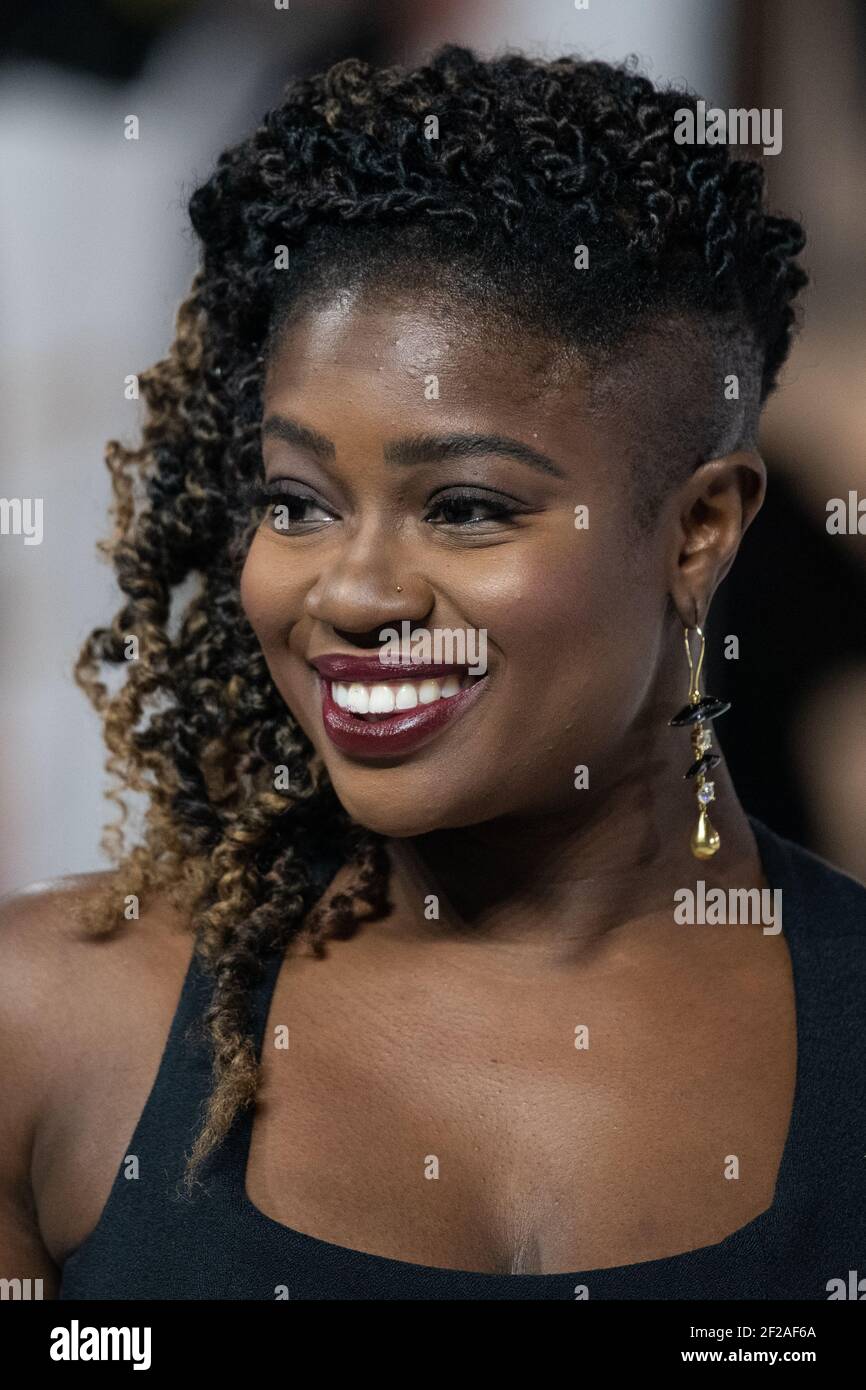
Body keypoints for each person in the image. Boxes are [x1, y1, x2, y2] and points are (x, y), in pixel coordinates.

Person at [1, 45, 863, 1301]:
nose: (351, 594)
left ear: (699, 530)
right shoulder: (42, 1022)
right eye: (296, 504)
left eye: (461, 507)